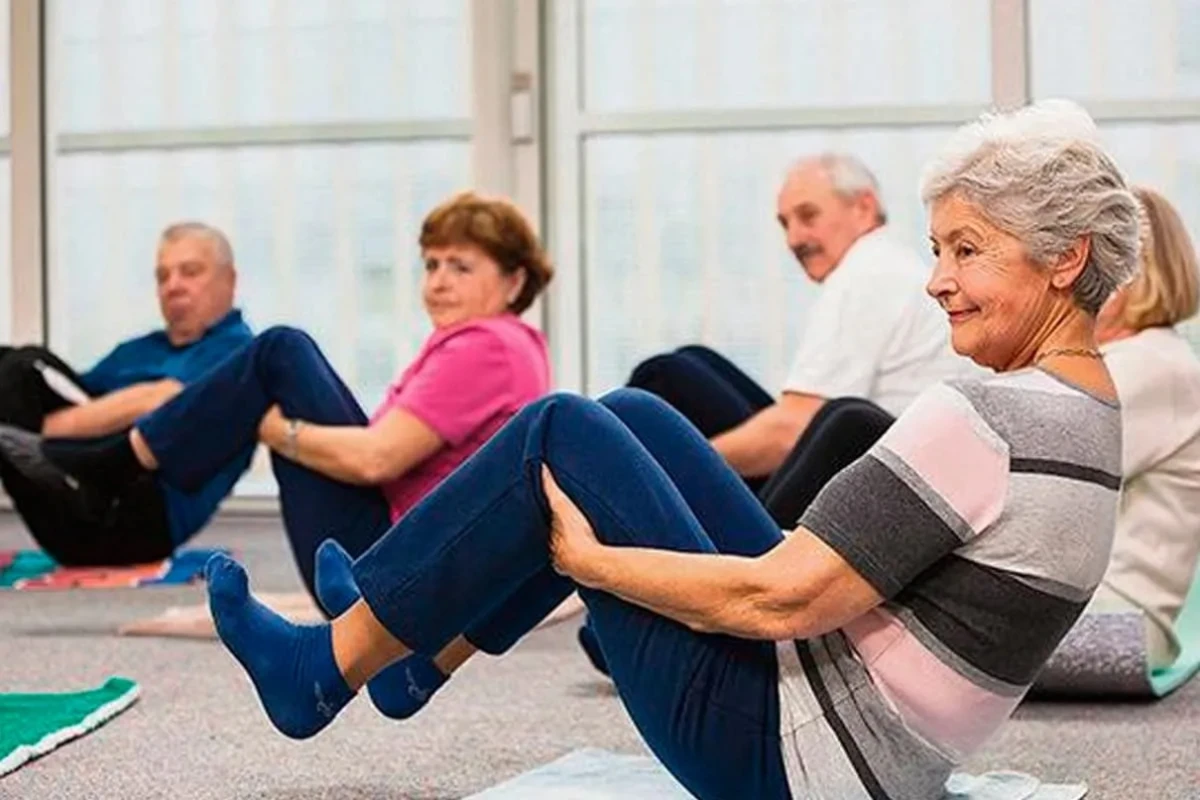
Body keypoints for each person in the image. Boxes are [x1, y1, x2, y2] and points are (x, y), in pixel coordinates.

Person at [198, 100, 1139, 799]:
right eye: (938, 250)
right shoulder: (1085, 415)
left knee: (560, 432)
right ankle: (420, 653)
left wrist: (593, 563)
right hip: (859, 739)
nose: (936, 281)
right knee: (632, 414)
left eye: (967, 251)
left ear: (1065, 258)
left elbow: (779, 599)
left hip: (783, 755)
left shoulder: (983, 418)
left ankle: (323, 670)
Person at [0, 191, 553, 609]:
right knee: (278, 354)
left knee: (280, 351)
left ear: (514, 281)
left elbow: (375, 459)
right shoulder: (503, 345)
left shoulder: (486, 348)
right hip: (406, 556)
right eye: (431, 264)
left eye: (461, 266)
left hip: (387, 570)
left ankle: (112, 464)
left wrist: (275, 429)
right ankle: (110, 463)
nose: (438, 281)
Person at [629, 154, 975, 496]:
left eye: (808, 216)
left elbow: (790, 432)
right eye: (785, 223)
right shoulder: (888, 263)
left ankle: (620, 481)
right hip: (876, 465)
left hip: (867, 485)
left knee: (663, 375)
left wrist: (670, 468)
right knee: (693, 360)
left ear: (864, 207)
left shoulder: (867, 277)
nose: (794, 238)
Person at [0, 221, 253, 566]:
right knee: (7, 367)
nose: (173, 286)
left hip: (135, 515)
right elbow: (62, 397)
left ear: (230, 280)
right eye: (162, 277)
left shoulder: (239, 353)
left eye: (190, 272)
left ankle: (28, 449)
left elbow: (165, 399)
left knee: (23, 366)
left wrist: (25, 438)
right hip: (67, 525)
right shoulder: (139, 350)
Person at [1088, 186, 1200, 669]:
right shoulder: (1141, 359)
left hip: (1116, 621)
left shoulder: (1149, 367)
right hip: (1097, 609)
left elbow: (1039, 483)